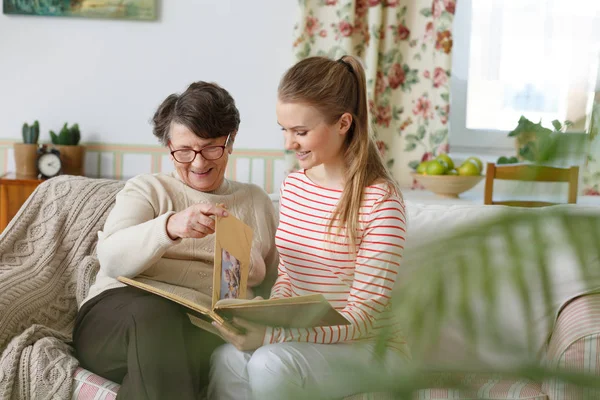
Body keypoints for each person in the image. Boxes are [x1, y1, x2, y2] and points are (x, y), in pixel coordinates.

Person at [209, 56, 409, 399]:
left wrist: (273, 338)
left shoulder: (381, 202)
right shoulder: (295, 186)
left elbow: (359, 319)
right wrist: (264, 319)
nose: (289, 143)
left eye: (301, 132)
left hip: (372, 349)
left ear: (344, 123)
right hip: (305, 341)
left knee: (270, 362)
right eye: (284, 129)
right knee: (227, 358)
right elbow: (289, 276)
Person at [72, 81, 279, 400]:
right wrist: (170, 227)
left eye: (211, 147)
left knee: (171, 358)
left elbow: (276, 286)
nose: (198, 162)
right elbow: (111, 260)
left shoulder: (257, 203)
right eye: (184, 151)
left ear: (231, 140)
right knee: (157, 316)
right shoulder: (148, 190)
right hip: (116, 322)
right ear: (168, 146)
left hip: (201, 334)